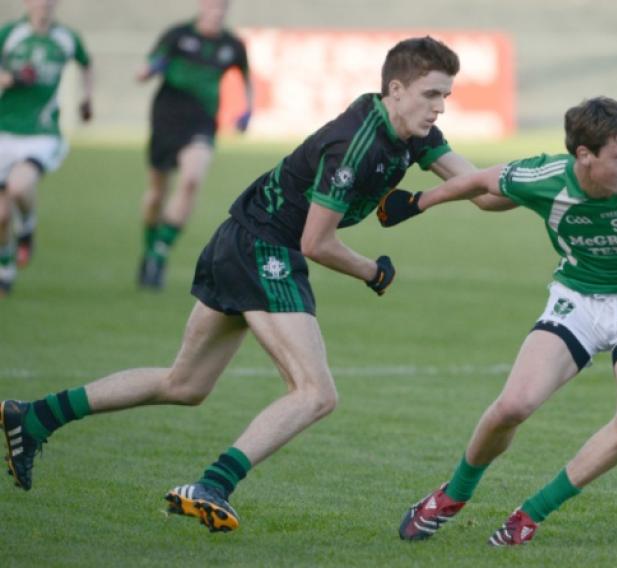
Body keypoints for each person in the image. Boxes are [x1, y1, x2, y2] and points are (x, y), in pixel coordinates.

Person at [1, 36, 477, 533]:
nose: (440, 107)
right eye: (431, 95)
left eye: (446, 96)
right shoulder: (354, 144)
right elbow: (316, 243)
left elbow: (481, 186)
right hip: (265, 249)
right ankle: (212, 485)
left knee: (184, 384)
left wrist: (522, 182)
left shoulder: (413, 133)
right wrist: (372, 271)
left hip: (240, 238)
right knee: (315, 393)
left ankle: (35, 417)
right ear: (396, 90)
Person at [378, 97, 617, 546]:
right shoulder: (546, 177)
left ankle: (531, 514)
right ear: (585, 155)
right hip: (579, 301)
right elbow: (479, 181)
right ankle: (453, 494)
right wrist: (419, 202)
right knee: (513, 406)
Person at [136, 0, 253, 290]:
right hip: (166, 120)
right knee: (156, 194)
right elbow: (145, 69)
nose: (216, 12)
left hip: (202, 123)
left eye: (221, 8)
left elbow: (246, 79)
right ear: (202, 6)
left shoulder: (232, 45)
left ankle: (160, 251)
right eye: (212, 6)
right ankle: (149, 247)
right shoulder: (177, 35)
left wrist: (247, 110)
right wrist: (150, 69)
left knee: (191, 181)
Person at [0, 0, 93, 297]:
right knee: (1, 216)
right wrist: (11, 78)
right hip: (4, 131)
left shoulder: (66, 38)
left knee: (18, 187)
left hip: (41, 133)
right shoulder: (9, 34)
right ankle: (5, 269)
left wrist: (86, 99)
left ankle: (27, 227)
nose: (44, 4)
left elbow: (86, 64)